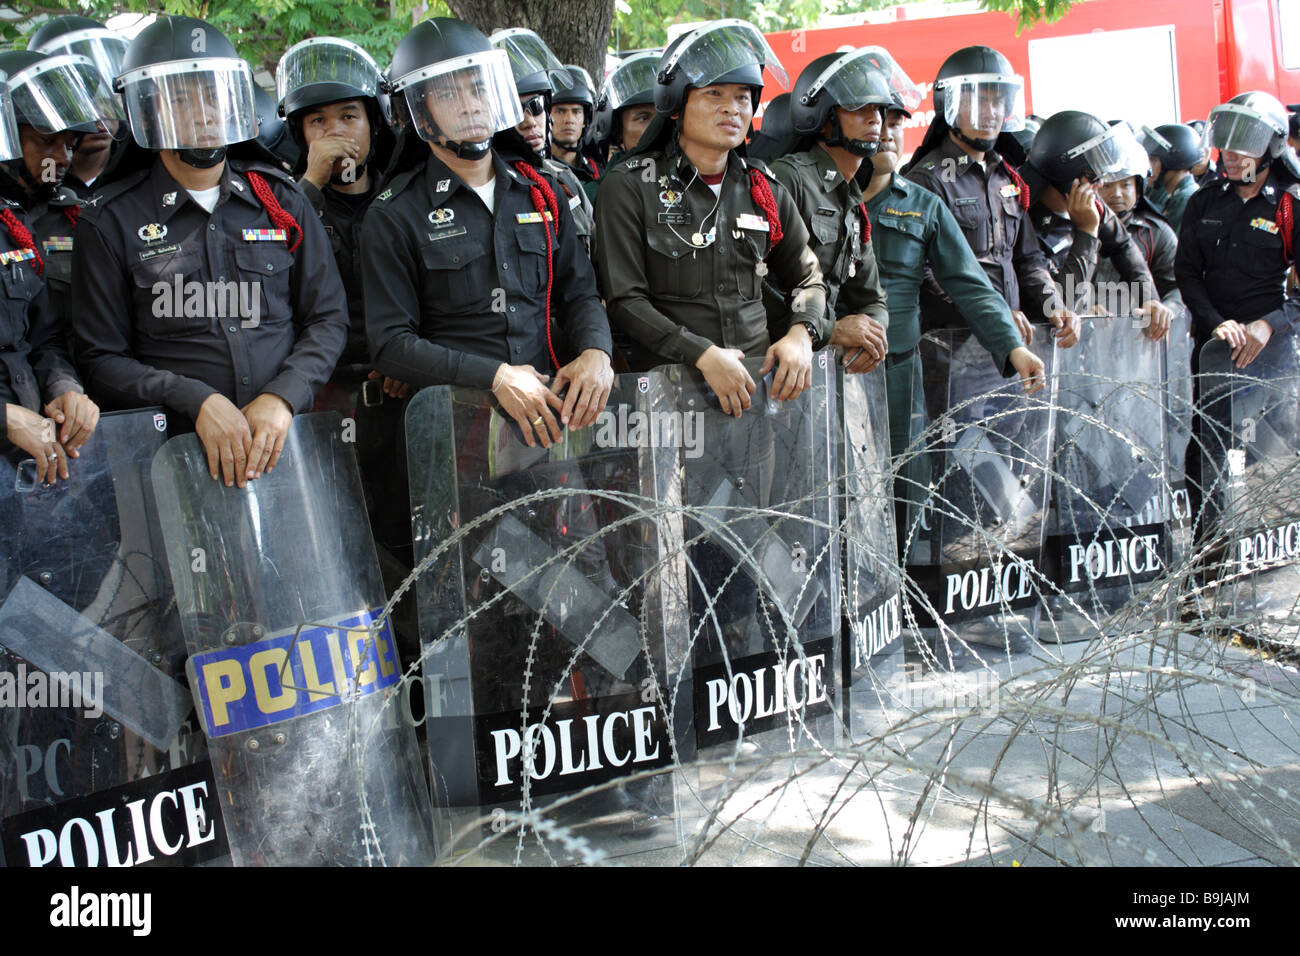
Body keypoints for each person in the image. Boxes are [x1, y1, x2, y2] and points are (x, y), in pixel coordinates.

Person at [71, 15, 348, 489]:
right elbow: (99, 358)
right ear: (148, 110)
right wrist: (194, 399)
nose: (203, 113)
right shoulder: (109, 220)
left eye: (212, 94)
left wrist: (282, 397)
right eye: (181, 97)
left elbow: (327, 318)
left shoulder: (279, 200)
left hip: (284, 447)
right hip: (174, 462)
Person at [362, 17, 613, 447]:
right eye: (449, 92)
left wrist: (596, 352)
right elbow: (390, 344)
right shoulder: (394, 214)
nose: (470, 104)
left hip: (551, 421)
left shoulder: (543, 194)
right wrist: (495, 377)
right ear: (419, 109)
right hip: (455, 432)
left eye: (479, 87)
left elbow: (580, 293)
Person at [857, 64, 1044, 556]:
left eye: (898, 121)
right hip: (833, 369)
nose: (887, 132)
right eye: (876, 117)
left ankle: (906, 599)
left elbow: (971, 282)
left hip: (901, 371)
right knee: (840, 491)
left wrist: (1012, 346)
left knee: (907, 489)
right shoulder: (815, 198)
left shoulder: (921, 203)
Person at [594, 20, 825, 408]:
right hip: (670, 400)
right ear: (676, 104)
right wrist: (701, 354)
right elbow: (624, 300)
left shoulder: (764, 190)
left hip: (758, 397)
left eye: (742, 97)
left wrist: (802, 333)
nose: (731, 108)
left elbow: (809, 279)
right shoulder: (630, 185)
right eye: (714, 93)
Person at [1175, 91, 1300, 547]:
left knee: (1269, 453)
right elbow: (1187, 273)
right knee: (1208, 452)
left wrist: (1270, 323)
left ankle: (1272, 548)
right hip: (1214, 351)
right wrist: (1214, 324)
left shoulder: (1289, 204)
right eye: (1226, 142)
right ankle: (1213, 550)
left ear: (1272, 147)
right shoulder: (1205, 201)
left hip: (1272, 354)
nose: (1231, 154)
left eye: (1244, 143)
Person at [902, 46, 1078, 348]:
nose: (991, 112)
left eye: (999, 101)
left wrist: (1055, 303)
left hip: (1009, 346)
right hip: (950, 350)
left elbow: (1028, 259)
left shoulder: (1008, 178)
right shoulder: (926, 178)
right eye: (980, 101)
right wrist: (991, 316)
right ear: (951, 103)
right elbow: (922, 274)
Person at [769, 48, 892, 379]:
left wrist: (872, 336)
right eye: (858, 107)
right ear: (823, 116)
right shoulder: (789, 176)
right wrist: (831, 330)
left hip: (820, 371)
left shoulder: (852, 195)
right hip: (771, 363)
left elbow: (873, 299)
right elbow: (756, 286)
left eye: (879, 108)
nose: (875, 118)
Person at [0, 79, 97, 483]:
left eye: (69, 144)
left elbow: (42, 337)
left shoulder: (12, 222)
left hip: (36, 451)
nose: (60, 157)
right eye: (44, 141)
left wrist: (64, 388)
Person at [1021, 113, 1171, 339]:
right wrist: (1087, 233)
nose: (1100, 185)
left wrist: (1149, 299)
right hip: (1033, 343)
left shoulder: (1089, 200)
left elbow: (1123, 245)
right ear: (1068, 174)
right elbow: (1062, 305)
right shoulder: (1019, 214)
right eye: (1093, 175)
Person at [491, 29, 596, 260]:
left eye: (536, 106)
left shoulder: (566, 180)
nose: (529, 121)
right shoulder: (488, 188)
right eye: (516, 110)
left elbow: (597, 260)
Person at [28, 15, 128, 192]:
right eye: (81, 101)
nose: (99, 114)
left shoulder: (143, 166)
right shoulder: (35, 180)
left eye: (106, 98)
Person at [584, 50, 659, 202]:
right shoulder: (593, 197)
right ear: (618, 130)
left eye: (664, 117)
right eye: (643, 118)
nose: (658, 127)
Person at [1139, 122, 1201, 233]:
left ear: (1172, 161)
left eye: (1153, 160)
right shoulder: (1173, 194)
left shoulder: (1185, 199)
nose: (1148, 166)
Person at [549, 63, 601, 185]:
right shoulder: (535, 170)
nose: (569, 120)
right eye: (560, 111)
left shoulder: (597, 172)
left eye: (576, 112)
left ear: (585, 120)